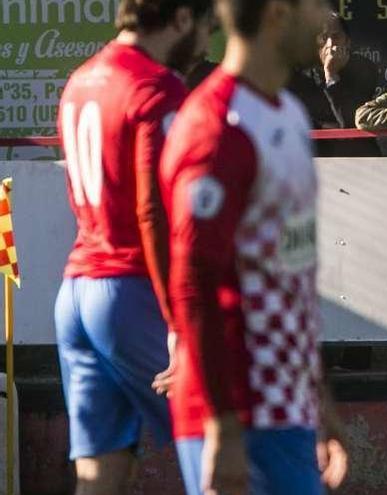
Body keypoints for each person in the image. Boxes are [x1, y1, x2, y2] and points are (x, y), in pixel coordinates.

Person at [158, 0, 333, 494]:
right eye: (316, 6)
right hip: (241, 415)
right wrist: (223, 424)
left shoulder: (292, 115)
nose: (325, 19)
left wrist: (321, 401)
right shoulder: (215, 127)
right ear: (279, 12)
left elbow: (293, 275)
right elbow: (193, 284)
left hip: (288, 409)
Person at [53, 1, 213, 493]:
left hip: (77, 292)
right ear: (182, 19)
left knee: (100, 476)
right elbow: (155, 212)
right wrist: (178, 323)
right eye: (207, 29)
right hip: (132, 293)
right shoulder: (156, 86)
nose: (206, 46)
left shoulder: (80, 80)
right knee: (220, 442)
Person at [288, 10, 380, 156]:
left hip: (360, 159)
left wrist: (331, 75)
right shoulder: (301, 74)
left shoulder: (364, 68)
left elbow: (351, 124)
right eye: (324, 38)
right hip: (319, 160)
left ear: (347, 42)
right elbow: (297, 119)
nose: (330, 44)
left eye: (336, 37)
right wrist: (322, 127)